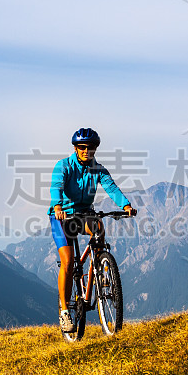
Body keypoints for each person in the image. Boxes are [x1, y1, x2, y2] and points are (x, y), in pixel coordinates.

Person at [49, 127, 135, 332]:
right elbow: (56, 187)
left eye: (92, 148)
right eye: (83, 147)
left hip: (84, 214)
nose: (87, 151)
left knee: (98, 227)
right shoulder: (63, 166)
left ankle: (101, 266)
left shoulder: (98, 169)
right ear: (76, 148)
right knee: (68, 262)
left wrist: (126, 205)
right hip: (63, 217)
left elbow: (111, 187)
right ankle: (64, 311)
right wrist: (58, 206)